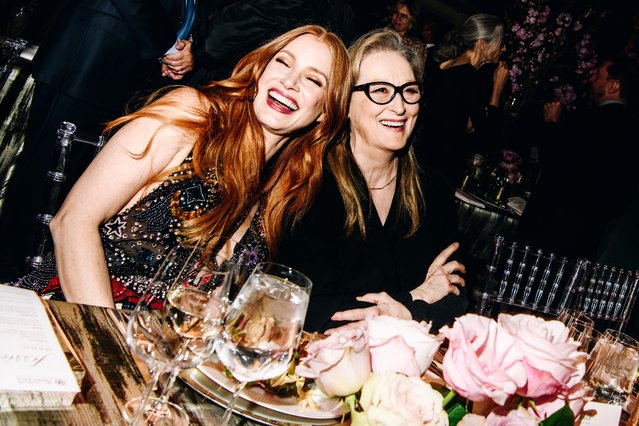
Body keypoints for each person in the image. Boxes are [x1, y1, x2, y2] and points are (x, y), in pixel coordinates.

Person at [11, 25, 352, 310]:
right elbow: (72, 221)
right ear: (261, 70)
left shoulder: (277, 193)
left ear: (325, 112)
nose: (290, 82)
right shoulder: (194, 117)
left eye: (313, 80)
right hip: (73, 315)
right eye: (283, 63)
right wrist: (113, 344)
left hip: (156, 356)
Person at [277, 28, 467, 334]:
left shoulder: (432, 190)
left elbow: (456, 297)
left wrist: (403, 309)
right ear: (345, 102)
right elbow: (305, 309)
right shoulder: (311, 181)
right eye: (380, 90)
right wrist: (414, 300)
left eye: (410, 90)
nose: (400, 106)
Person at [0, 0, 196, 282]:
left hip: (118, 73)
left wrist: (181, 46)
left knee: (68, 187)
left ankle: (33, 276)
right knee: (41, 177)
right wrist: (167, 47)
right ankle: (10, 276)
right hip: (86, 62)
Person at [515, 56, 639, 262]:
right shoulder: (633, 134)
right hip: (588, 240)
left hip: (552, 227)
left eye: (599, 76)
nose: (592, 79)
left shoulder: (591, 120)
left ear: (614, 86)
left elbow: (556, 162)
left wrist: (551, 124)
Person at [417, 13, 509, 192]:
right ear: (482, 44)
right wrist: (497, 88)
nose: (503, 48)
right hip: (437, 173)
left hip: (424, 162)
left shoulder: (446, 65)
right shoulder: (470, 77)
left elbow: (452, 117)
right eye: (500, 42)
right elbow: (488, 138)